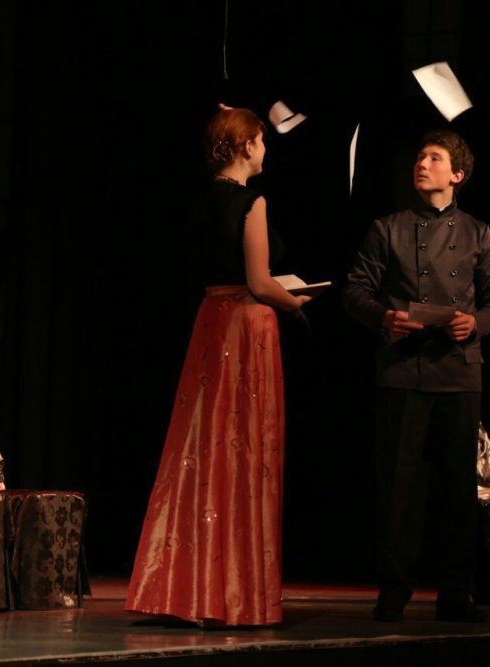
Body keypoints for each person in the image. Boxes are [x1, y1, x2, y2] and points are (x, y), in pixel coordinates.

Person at [125, 106, 311, 627]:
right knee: (242, 448)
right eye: (261, 141)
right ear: (247, 145)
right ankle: (233, 593)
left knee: (202, 445)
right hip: (246, 328)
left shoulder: (201, 199)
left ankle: (190, 588)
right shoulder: (252, 201)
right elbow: (259, 281)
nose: (265, 150)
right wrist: (296, 302)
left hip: (210, 323)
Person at [342, 130, 490, 623]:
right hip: (402, 370)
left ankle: (457, 593)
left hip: (459, 373)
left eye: (434, 158)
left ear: (457, 174)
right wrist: (384, 317)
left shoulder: (478, 233)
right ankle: (393, 593)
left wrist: (474, 323)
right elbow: (354, 291)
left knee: (458, 490)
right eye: (419, 156)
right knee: (398, 491)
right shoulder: (388, 228)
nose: (421, 163)